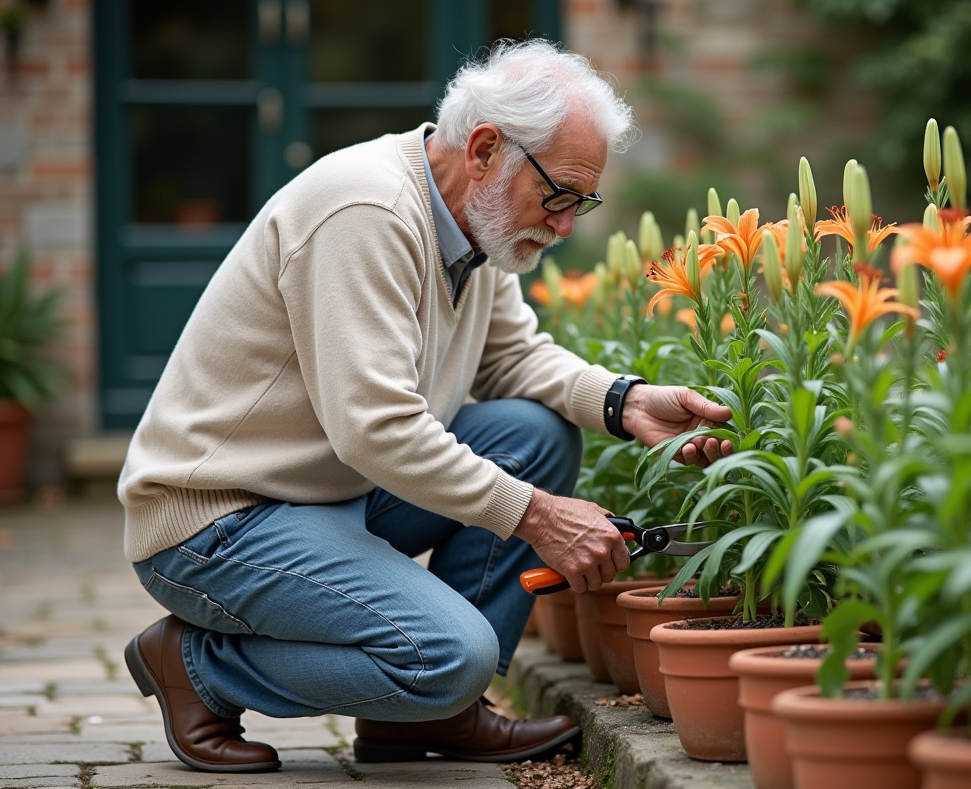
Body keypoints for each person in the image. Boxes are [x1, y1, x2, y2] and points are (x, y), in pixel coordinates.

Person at [117, 39, 734, 774]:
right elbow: (375, 428)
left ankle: (423, 721)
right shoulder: (366, 211)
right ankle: (196, 664)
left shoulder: (475, 222)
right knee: (451, 655)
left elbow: (513, 358)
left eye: (582, 200)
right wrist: (538, 516)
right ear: (483, 149)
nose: (566, 224)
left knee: (535, 435)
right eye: (560, 194)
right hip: (218, 522)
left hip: (322, 494)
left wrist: (625, 401)